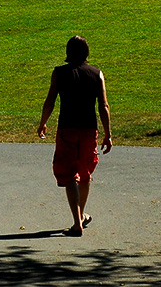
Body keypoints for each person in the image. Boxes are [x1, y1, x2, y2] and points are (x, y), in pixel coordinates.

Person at [38, 36, 112, 237]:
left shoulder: (59, 73)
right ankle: (80, 218)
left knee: (69, 174)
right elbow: (103, 106)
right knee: (85, 173)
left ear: (68, 52)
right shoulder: (97, 74)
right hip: (89, 129)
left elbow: (50, 101)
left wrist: (43, 122)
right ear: (86, 53)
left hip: (67, 129)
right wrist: (108, 133)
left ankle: (77, 221)